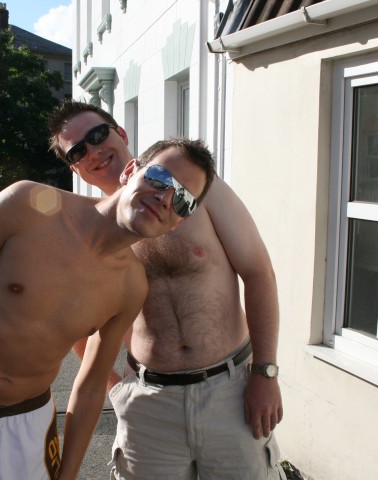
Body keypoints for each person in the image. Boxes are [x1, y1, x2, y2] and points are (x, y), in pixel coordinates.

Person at [0, 145, 214, 480]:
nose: (165, 198)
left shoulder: (131, 286)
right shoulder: (27, 205)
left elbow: (92, 385)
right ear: (129, 171)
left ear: (178, 222)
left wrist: (69, 473)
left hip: (28, 428)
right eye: (159, 178)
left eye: (182, 200)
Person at [48, 100, 285, 479]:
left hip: (230, 393)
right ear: (75, 168)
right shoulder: (91, 232)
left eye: (98, 134)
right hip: (148, 404)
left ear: (120, 134)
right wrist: (116, 389)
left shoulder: (197, 188)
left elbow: (258, 273)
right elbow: (75, 326)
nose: (93, 150)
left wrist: (265, 372)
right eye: (78, 151)